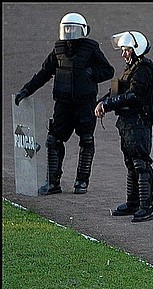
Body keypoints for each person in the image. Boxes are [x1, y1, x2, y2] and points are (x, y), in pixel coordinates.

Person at [14, 12, 115, 195]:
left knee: (86, 140)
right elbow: (45, 72)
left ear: (82, 30)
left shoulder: (91, 48)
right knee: (53, 140)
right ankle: (53, 183)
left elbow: (108, 71)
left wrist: (90, 74)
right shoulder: (58, 48)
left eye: (73, 29)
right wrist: (27, 90)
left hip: (85, 104)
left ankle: (81, 182)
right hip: (63, 103)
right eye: (67, 28)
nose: (69, 32)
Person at [94, 31, 153, 222]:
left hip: (138, 122)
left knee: (141, 164)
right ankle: (133, 203)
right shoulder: (132, 69)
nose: (124, 54)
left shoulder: (144, 70)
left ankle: (146, 207)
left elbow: (133, 96)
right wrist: (102, 102)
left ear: (136, 50)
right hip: (127, 123)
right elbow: (118, 90)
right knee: (131, 164)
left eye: (127, 50)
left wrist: (107, 105)